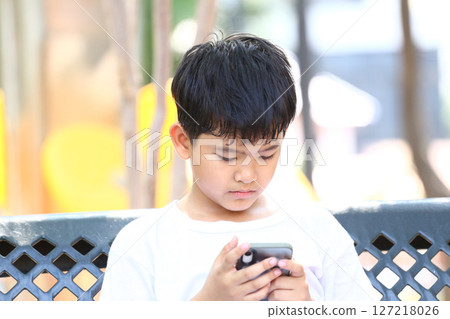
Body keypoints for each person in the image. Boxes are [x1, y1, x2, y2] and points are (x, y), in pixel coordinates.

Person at [100, 33, 375, 301]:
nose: (247, 175)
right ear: (184, 142)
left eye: (267, 153)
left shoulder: (317, 229)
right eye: (227, 156)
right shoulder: (144, 243)